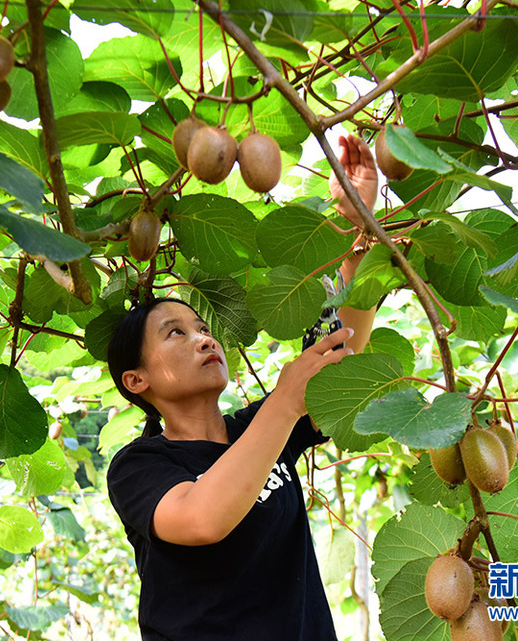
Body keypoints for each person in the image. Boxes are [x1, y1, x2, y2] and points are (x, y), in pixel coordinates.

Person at [105, 134, 379, 641]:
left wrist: (354, 235)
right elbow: (202, 517)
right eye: (176, 333)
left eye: (202, 326)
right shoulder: (138, 467)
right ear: (136, 380)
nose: (203, 337)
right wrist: (285, 401)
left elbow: (340, 359)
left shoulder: (258, 428)